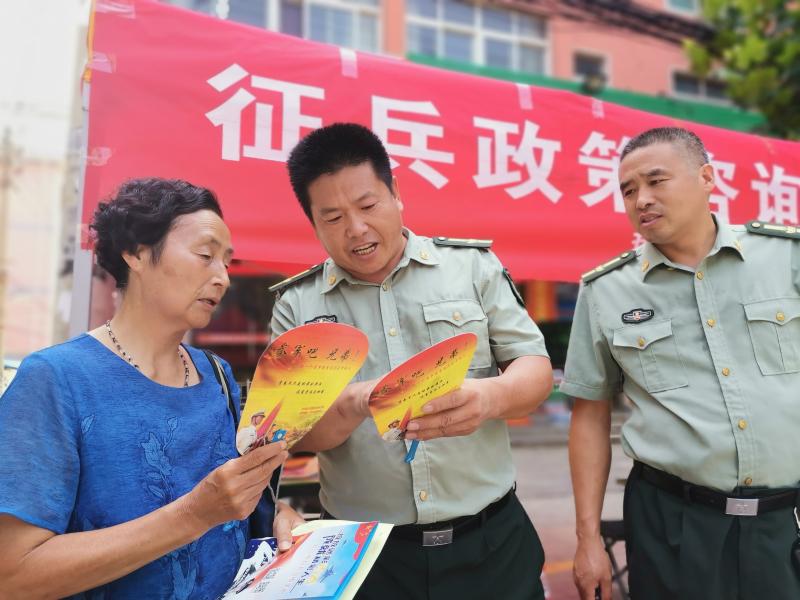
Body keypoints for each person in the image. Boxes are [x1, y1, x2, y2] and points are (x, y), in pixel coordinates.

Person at [270, 123, 554, 599]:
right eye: (333, 217)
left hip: (490, 543)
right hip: (365, 557)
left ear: (396, 193)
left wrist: (490, 397)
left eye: (367, 206)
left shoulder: (471, 267)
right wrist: (355, 402)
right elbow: (296, 435)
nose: (356, 229)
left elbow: (535, 368)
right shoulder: (296, 306)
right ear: (313, 222)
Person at [0, 178, 304, 598]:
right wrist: (194, 514)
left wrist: (276, 516)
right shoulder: (56, 379)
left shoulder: (216, 375)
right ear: (137, 253)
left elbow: (233, 513)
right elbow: (13, 573)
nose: (222, 278)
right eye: (205, 255)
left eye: (227, 262)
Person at [562, 127, 800, 600]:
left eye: (656, 181)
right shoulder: (607, 290)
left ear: (706, 178)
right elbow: (589, 414)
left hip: (786, 520)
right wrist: (588, 539)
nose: (642, 199)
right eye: (628, 190)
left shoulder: (786, 257)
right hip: (673, 524)